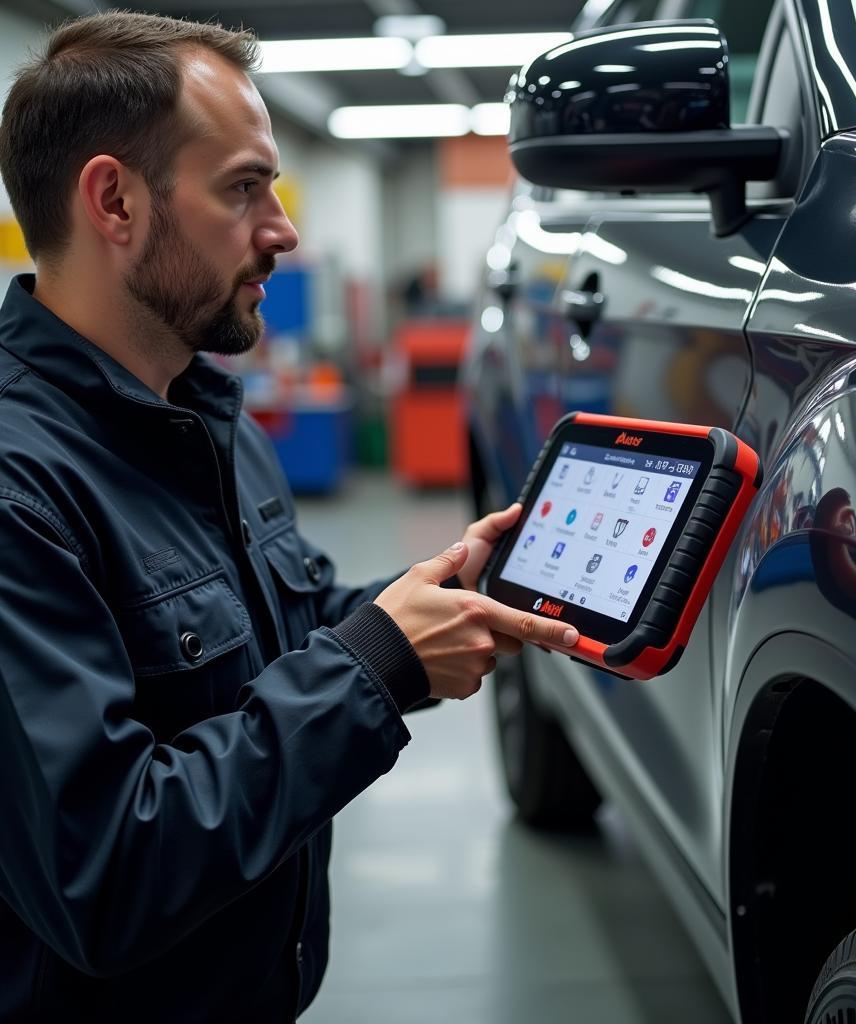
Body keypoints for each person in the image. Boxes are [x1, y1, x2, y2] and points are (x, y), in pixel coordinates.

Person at [0, 12, 578, 1022]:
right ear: (114, 200)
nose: (284, 228)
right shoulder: (20, 491)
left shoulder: (210, 417)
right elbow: (105, 870)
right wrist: (377, 664)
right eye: (242, 186)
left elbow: (290, 622)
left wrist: (451, 594)